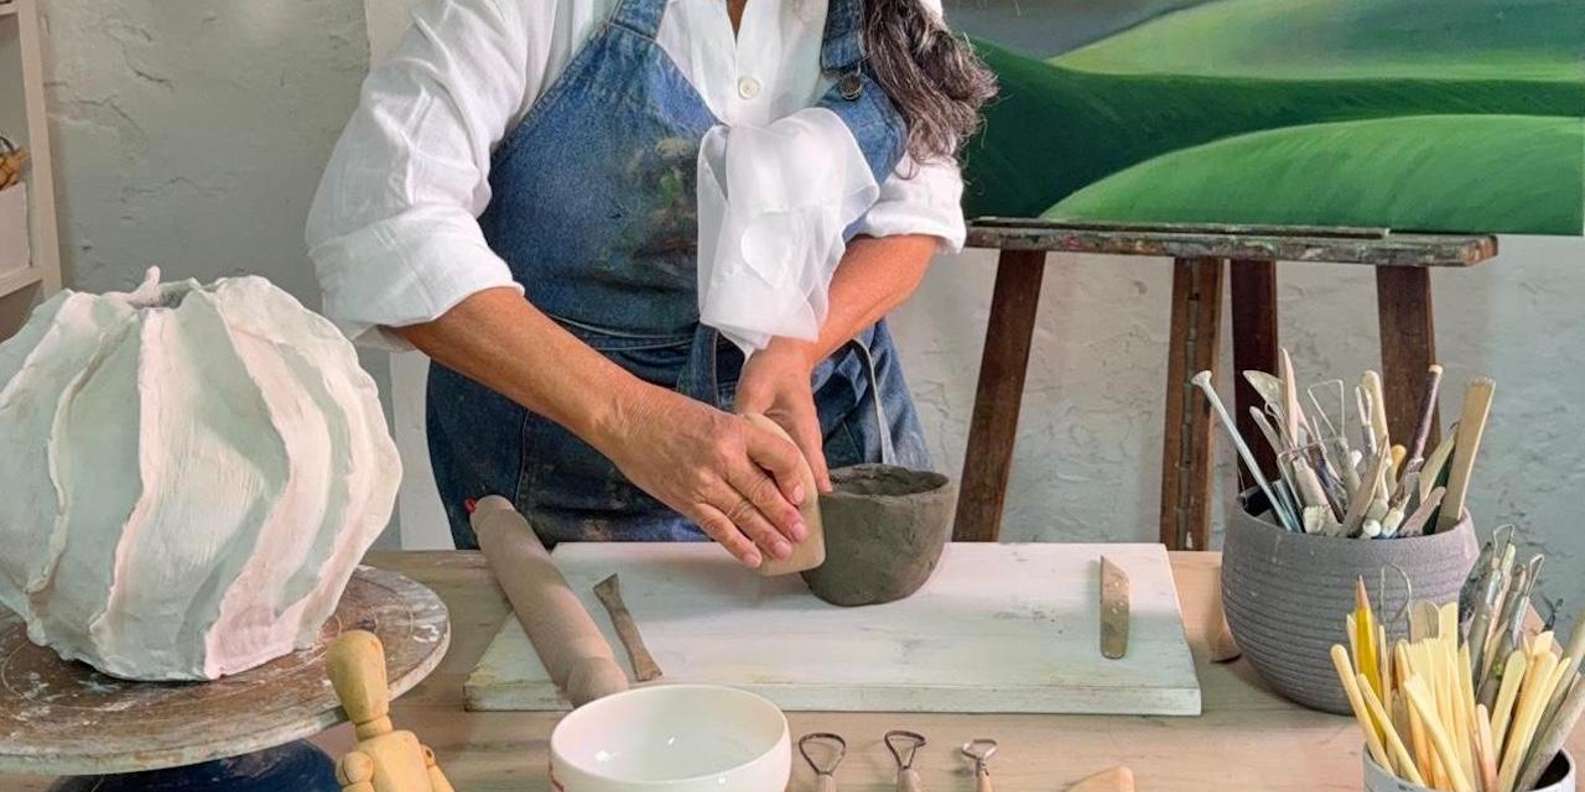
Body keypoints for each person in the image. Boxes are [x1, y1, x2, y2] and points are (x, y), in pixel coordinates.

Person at [308, 0, 994, 567]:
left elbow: (913, 213)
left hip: (822, 441)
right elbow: (385, 222)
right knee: (586, 682)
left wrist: (794, 347)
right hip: (569, 469)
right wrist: (630, 418)